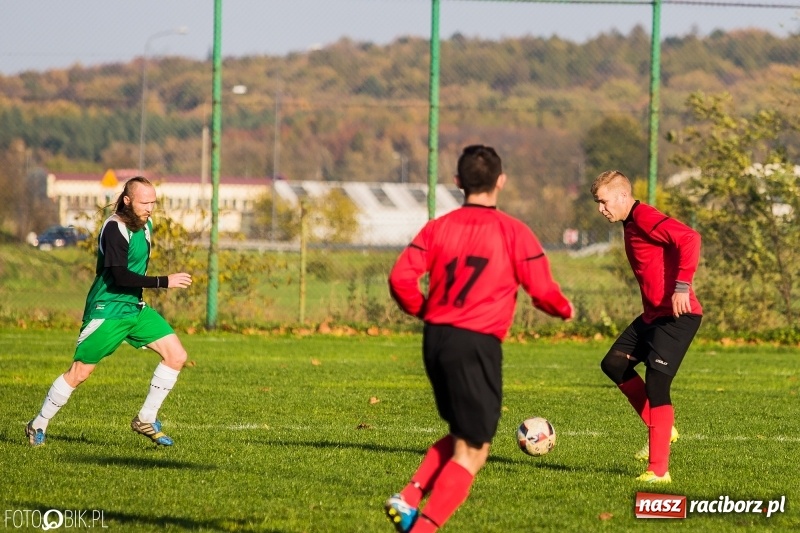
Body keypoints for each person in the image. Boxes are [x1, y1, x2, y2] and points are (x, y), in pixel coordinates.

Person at [385, 145, 574, 533]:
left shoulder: (438, 227)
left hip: (435, 340)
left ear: (457, 183)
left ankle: (408, 497)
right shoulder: (514, 232)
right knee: (474, 450)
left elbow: (400, 279)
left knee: (462, 435)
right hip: (476, 345)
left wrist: (424, 310)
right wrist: (564, 309)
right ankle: (422, 528)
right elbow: (542, 291)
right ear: (501, 181)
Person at [25, 176, 193, 447]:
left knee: (176, 356)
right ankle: (38, 423)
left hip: (134, 308)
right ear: (127, 200)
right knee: (80, 372)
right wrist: (165, 281)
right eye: (144, 202)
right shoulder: (115, 228)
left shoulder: (146, 225)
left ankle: (146, 418)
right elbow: (120, 276)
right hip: (108, 308)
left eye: (153, 202)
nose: (150, 208)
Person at [591, 170, 703, 484]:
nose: (601, 209)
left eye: (603, 201)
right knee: (614, 364)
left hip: (677, 316)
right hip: (654, 315)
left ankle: (658, 472)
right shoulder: (630, 222)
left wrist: (682, 285)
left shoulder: (644, 217)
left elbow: (690, 238)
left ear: (622, 196)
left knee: (657, 386)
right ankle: (662, 427)